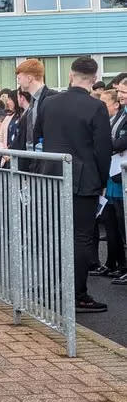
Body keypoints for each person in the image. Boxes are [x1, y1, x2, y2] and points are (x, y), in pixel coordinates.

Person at [34, 57, 111, 313]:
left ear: (70, 74)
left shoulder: (49, 103)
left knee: (53, 234)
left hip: (52, 175)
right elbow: (103, 149)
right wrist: (101, 181)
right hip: (83, 179)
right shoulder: (96, 107)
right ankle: (78, 294)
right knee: (81, 238)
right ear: (93, 77)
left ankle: (49, 289)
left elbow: (38, 136)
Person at [99, 89, 127, 284]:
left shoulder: (122, 118)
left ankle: (122, 265)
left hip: (120, 174)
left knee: (122, 222)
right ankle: (117, 264)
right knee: (113, 222)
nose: (122, 94)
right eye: (120, 92)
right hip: (112, 174)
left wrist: (104, 144)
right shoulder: (115, 118)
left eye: (124, 91)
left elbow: (119, 143)